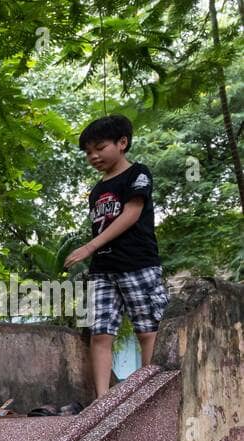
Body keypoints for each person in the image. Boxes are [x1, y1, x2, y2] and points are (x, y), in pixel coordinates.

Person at [64, 114, 166, 397]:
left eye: (99, 147)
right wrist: (95, 251)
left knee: (147, 331)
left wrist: (89, 247)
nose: (93, 156)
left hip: (138, 263)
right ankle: (102, 400)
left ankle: (149, 396)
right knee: (100, 333)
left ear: (122, 143)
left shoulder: (138, 174)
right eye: (88, 152)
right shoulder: (97, 189)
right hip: (103, 269)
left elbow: (131, 214)